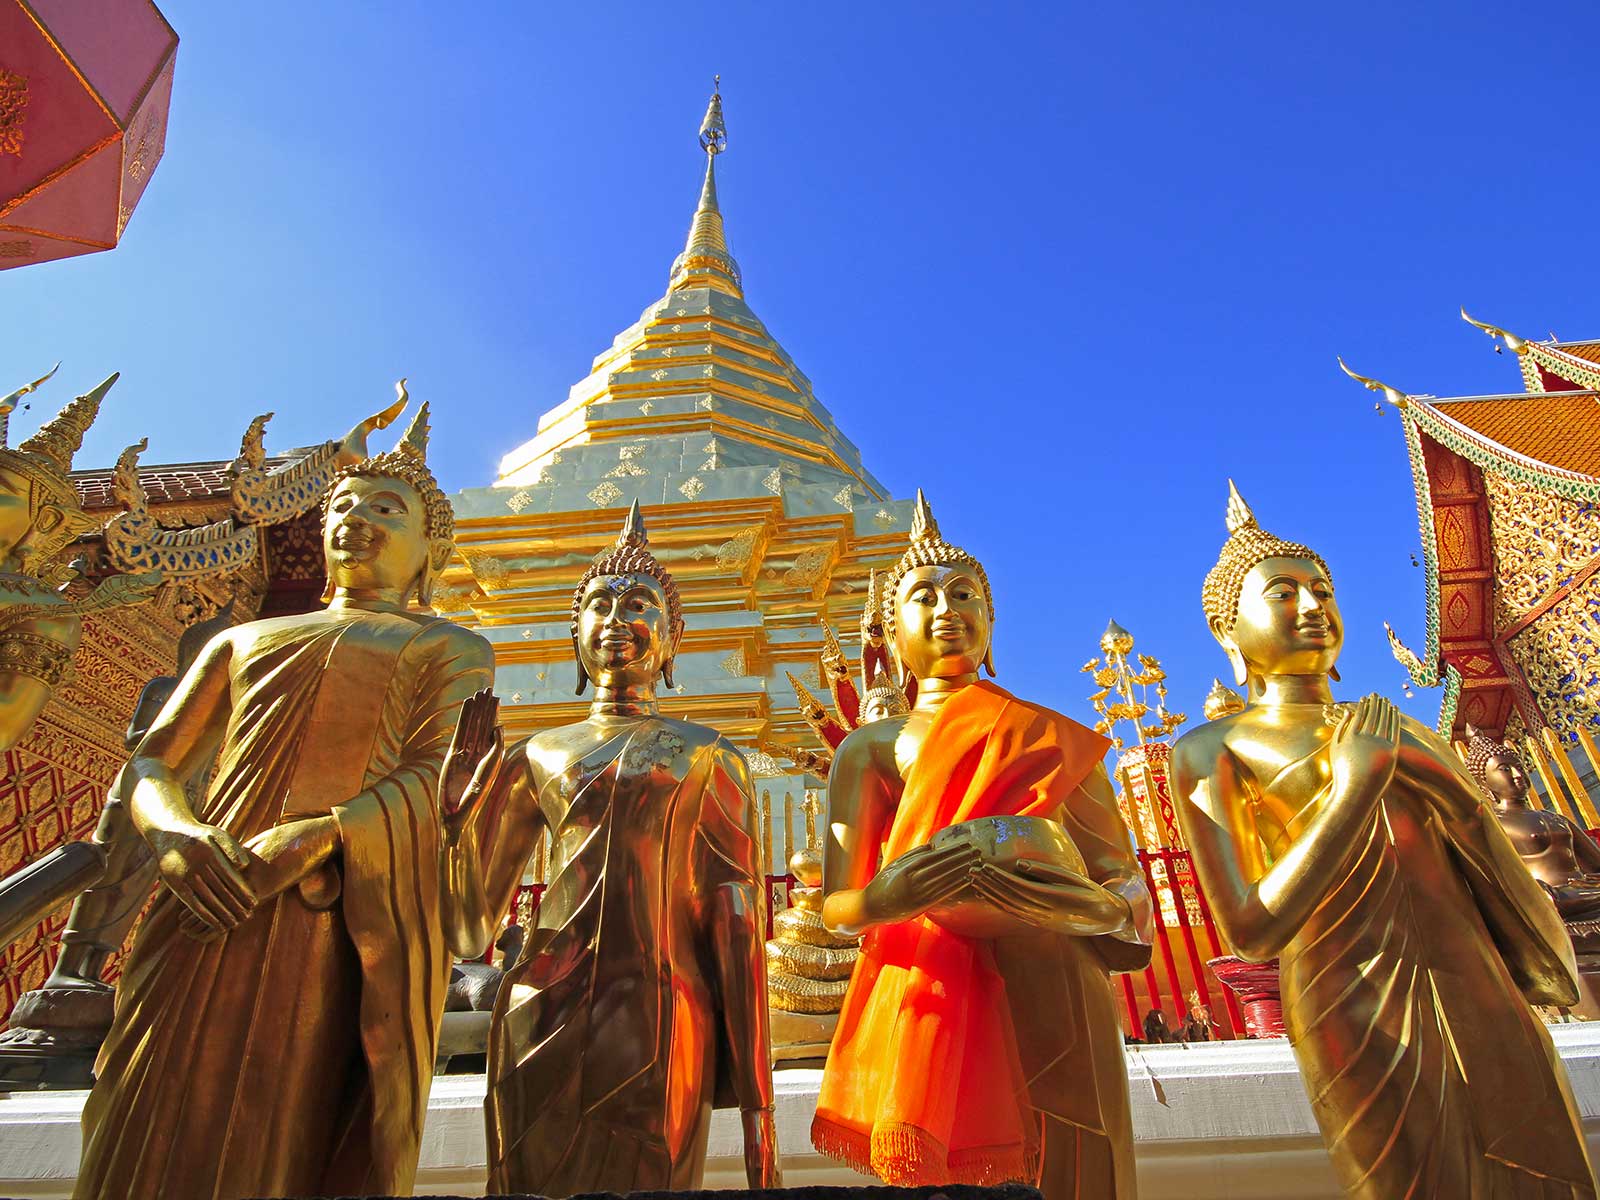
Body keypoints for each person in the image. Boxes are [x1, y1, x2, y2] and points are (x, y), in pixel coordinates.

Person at [73, 399, 494, 1200]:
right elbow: (152, 764)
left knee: (280, 1121)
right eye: (341, 503)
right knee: (147, 1104)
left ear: (427, 553)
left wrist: (318, 837)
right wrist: (173, 834)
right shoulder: (241, 642)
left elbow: (441, 772)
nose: (355, 518)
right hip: (205, 887)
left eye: (385, 509)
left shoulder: (451, 646)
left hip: (329, 911)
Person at [1171, 481, 1596, 1198]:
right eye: (1283, 594)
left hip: (1480, 984)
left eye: (1323, 590)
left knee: (1545, 1178)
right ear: (1227, 631)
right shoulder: (1214, 748)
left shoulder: (1400, 729)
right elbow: (1251, 926)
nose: (1313, 607)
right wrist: (1353, 788)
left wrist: (1457, 797)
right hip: (1355, 999)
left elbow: (1493, 871)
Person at [811, 491, 1152, 1200]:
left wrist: (1083, 903)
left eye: (965, 593)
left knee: (1082, 1172)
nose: (946, 609)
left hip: (1056, 974)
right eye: (923, 597)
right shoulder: (872, 750)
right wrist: (888, 894)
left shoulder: (1045, 736)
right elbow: (837, 907)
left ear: (991, 624)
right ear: (893, 636)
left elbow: (1126, 887)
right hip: (933, 981)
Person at [439, 501, 780, 1196]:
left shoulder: (708, 755)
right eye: (598, 603)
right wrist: (454, 831)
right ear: (574, 636)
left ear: (672, 638)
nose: (616, 618)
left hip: (659, 1012)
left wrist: (759, 1111)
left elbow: (737, 918)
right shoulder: (538, 753)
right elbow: (471, 928)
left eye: (639, 603)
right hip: (538, 1008)